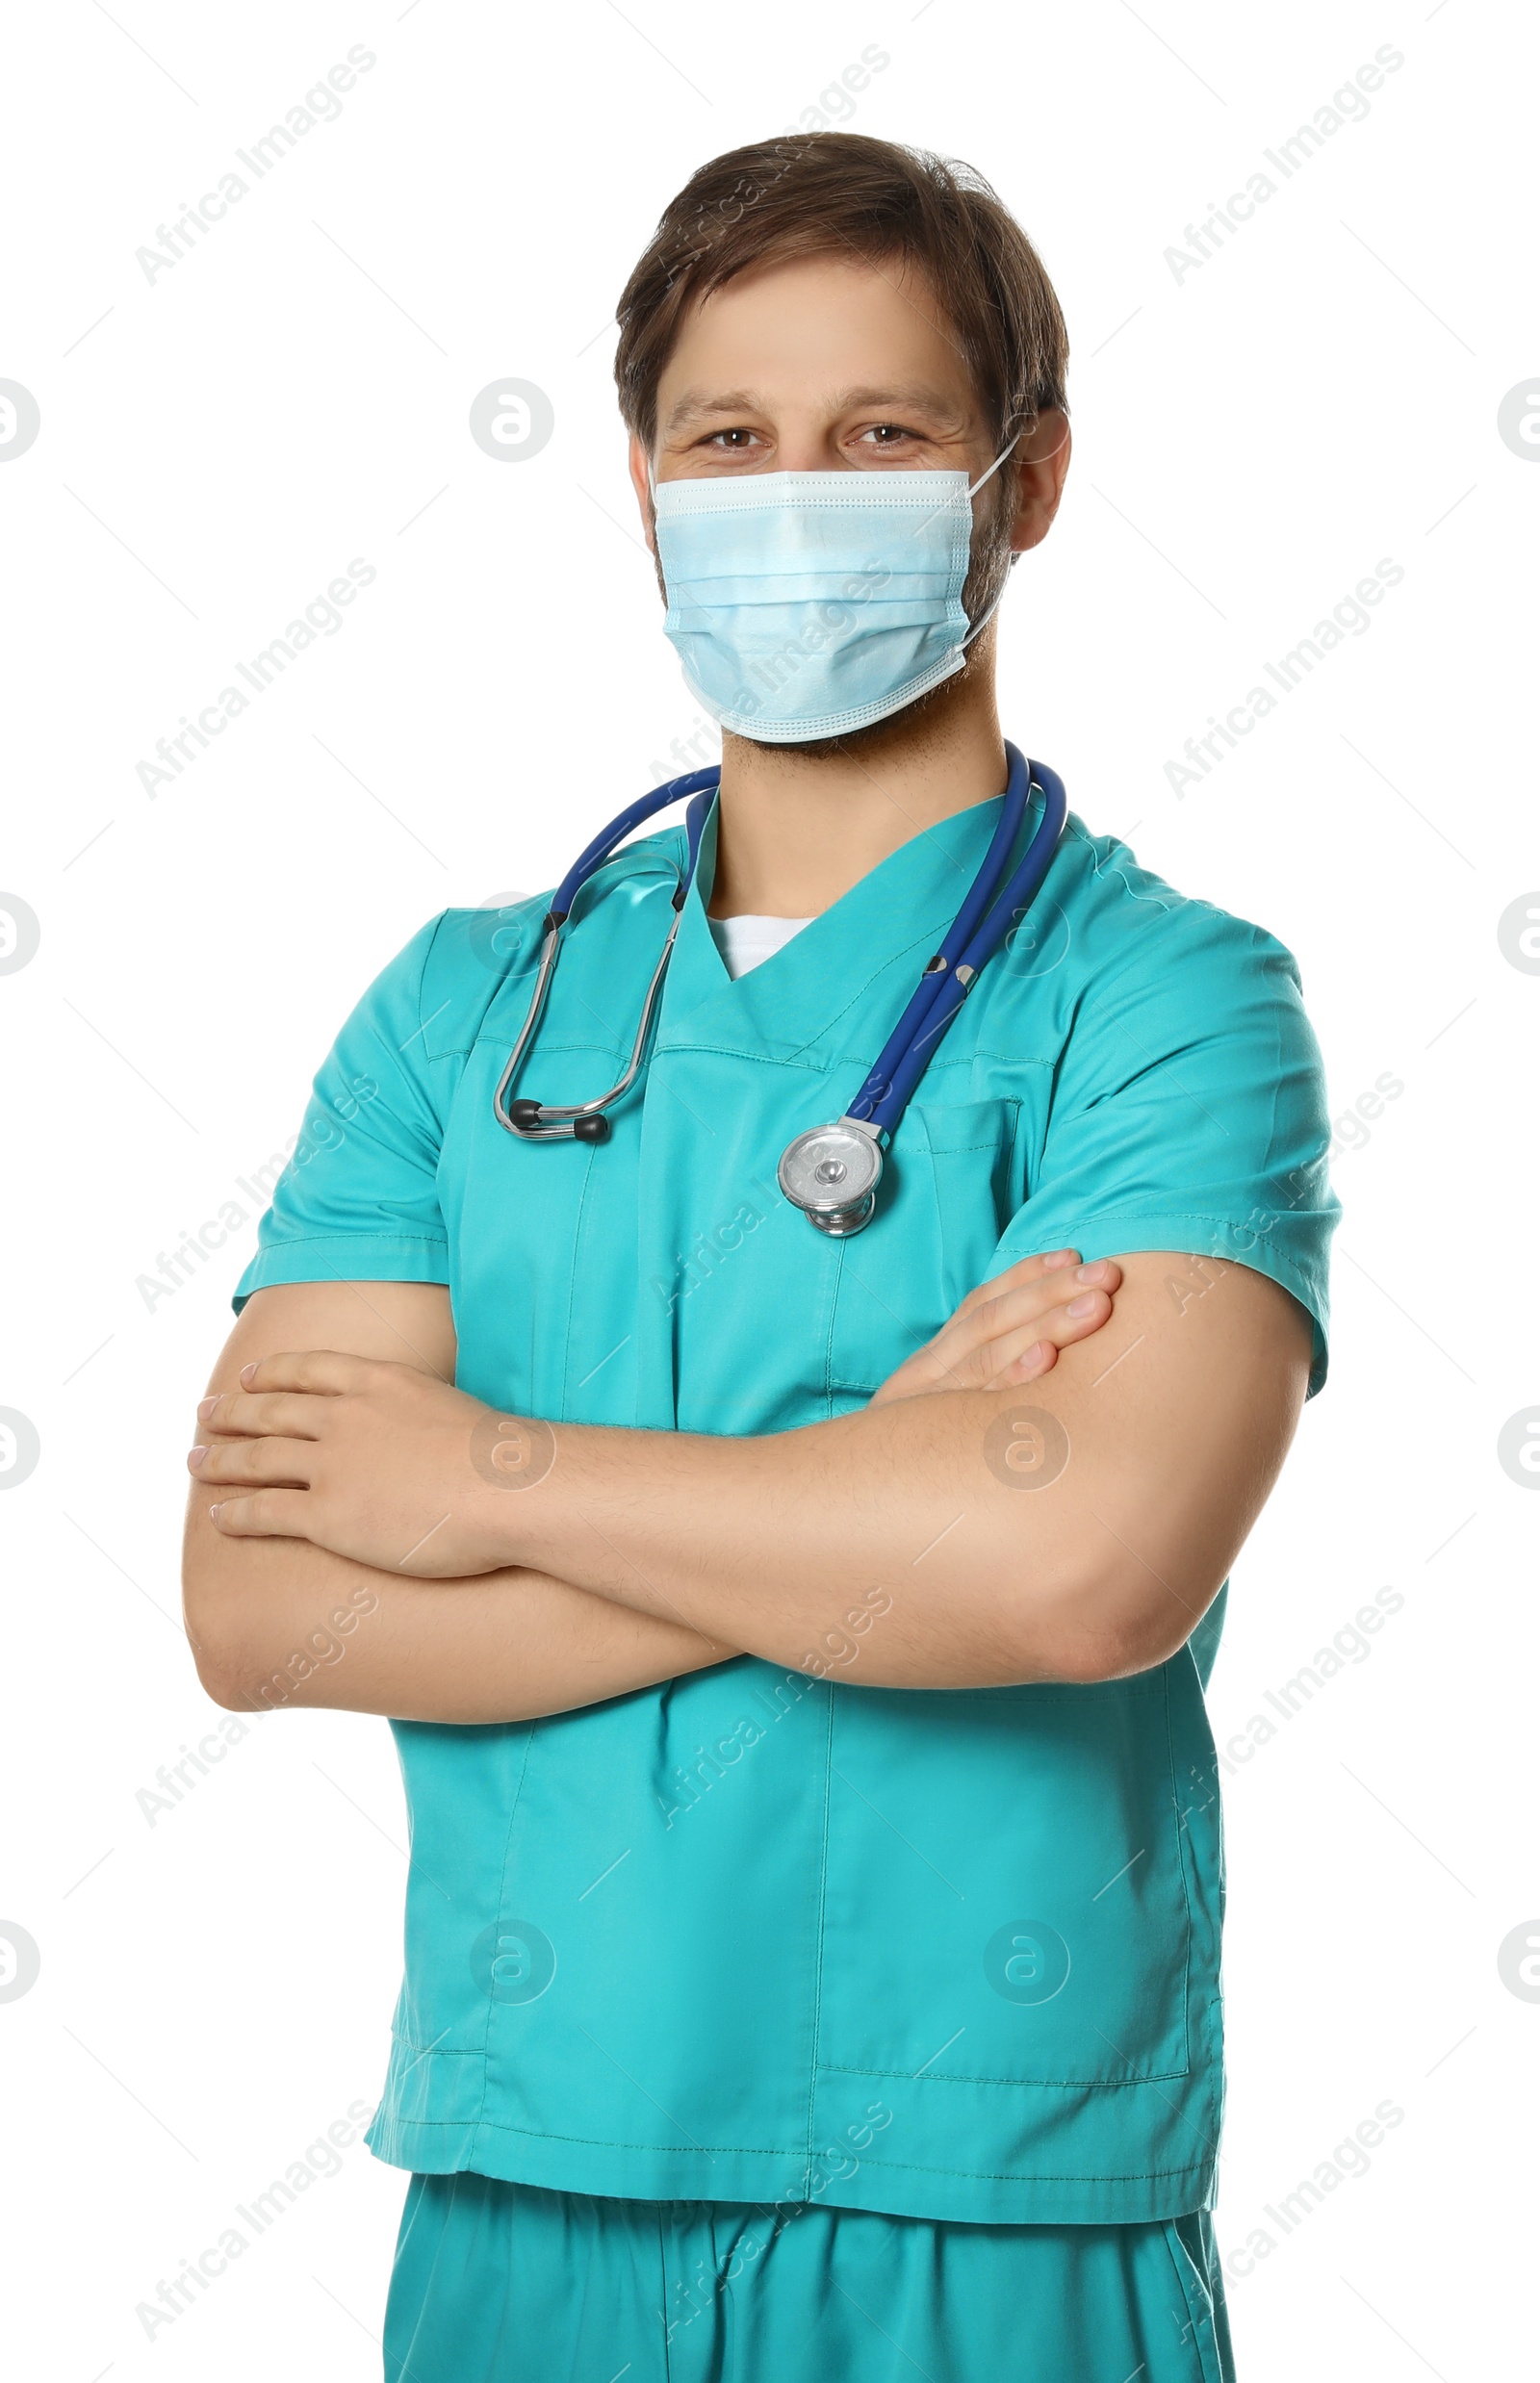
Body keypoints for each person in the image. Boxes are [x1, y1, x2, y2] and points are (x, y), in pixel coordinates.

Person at [181, 133, 1339, 2383]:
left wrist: (480, 1482)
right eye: (730, 439)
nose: (791, 493)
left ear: (1025, 484)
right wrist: (880, 1466)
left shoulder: (1169, 1002)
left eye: (879, 435)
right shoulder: (464, 1010)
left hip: (981, 2220)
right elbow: (264, 1608)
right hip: (525, 2199)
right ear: (638, 483)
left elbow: (1082, 1569)